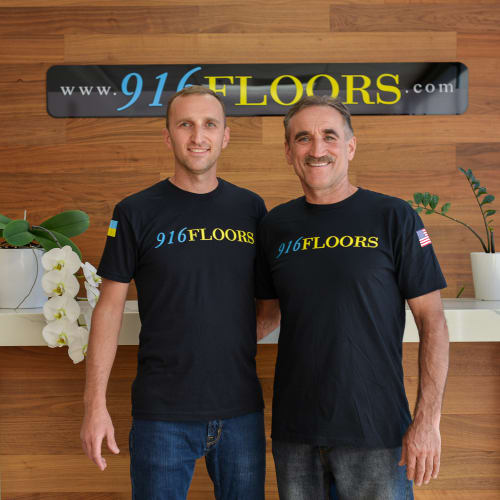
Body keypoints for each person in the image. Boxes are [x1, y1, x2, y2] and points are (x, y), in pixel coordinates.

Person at [80, 86, 278, 500]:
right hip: (161, 416)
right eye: (185, 124)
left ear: (225, 135)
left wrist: (228, 338)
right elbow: (109, 308)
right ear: (167, 135)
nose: (198, 136)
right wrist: (94, 405)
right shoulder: (134, 212)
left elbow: (271, 303)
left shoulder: (251, 208)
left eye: (210, 125)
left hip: (241, 411)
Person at [256, 95, 450, 500]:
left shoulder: (394, 216)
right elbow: (266, 316)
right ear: (288, 151)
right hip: (296, 435)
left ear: (350, 146)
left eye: (329, 136)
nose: (317, 149)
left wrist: (427, 421)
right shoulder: (275, 226)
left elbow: (432, 319)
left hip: (376, 433)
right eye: (303, 138)